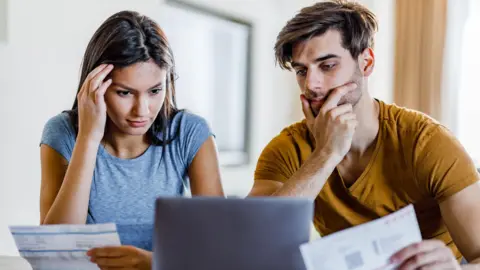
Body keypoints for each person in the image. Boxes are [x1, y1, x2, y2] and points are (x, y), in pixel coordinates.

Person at [249, 0, 480, 268]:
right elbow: (252, 244)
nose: (311, 85)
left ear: (366, 62)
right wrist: (326, 154)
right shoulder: (287, 148)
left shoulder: (427, 142)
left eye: (327, 66)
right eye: (302, 70)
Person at [39, 10, 224, 270]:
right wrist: (89, 138)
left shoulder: (190, 132)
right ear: (96, 85)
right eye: (125, 93)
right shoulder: (62, 133)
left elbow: (220, 247)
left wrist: (154, 264)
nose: (143, 110)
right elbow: (56, 251)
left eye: (155, 91)